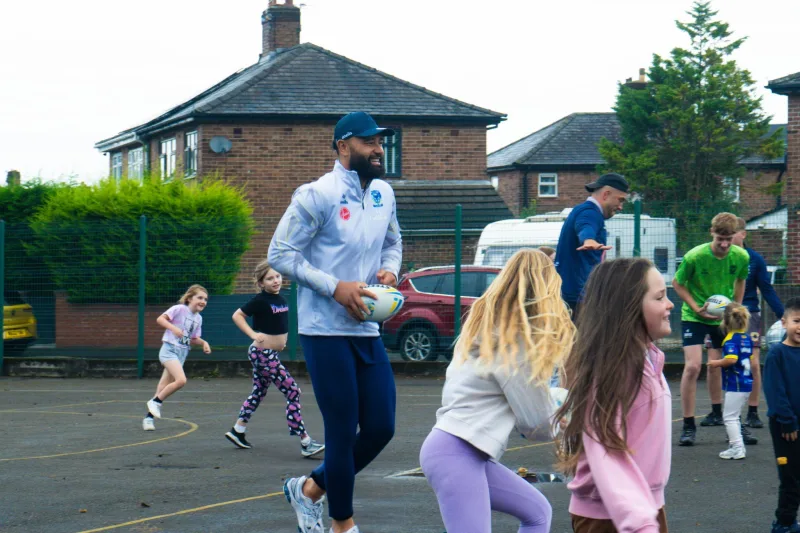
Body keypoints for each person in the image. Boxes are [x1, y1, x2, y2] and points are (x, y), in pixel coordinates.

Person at [268, 111, 402, 533]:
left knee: (381, 426)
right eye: (368, 142)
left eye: (380, 142)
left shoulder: (383, 193)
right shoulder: (316, 194)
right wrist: (335, 287)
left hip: (365, 328)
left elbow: (394, 242)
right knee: (341, 432)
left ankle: (309, 488)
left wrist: (389, 271)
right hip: (323, 330)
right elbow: (281, 254)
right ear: (343, 146)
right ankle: (341, 523)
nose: (378, 149)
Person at [419, 249, 575, 533]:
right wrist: (562, 415)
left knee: (537, 512)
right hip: (459, 453)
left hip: (456, 450)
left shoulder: (485, 334)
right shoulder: (513, 349)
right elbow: (536, 425)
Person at [556, 257, 673, 532]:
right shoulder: (614, 371)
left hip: (643, 507)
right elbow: (605, 451)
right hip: (612, 516)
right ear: (628, 307)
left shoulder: (647, 359)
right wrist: (640, 521)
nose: (669, 305)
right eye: (660, 297)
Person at [224, 260, 324, 458]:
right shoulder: (260, 300)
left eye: (277, 276)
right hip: (263, 353)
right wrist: (253, 335)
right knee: (293, 391)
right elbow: (237, 315)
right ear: (261, 283)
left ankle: (238, 430)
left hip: (270, 353)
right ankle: (305, 441)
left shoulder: (281, 299)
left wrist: (280, 342)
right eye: (270, 278)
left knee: (259, 391)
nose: (275, 280)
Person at [672, 212, 750, 446]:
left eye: (729, 239)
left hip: (723, 318)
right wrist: (696, 307)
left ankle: (729, 421)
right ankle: (688, 425)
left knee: (727, 366)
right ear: (712, 233)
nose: (725, 244)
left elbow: (740, 281)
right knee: (693, 367)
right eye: (720, 239)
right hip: (694, 316)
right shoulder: (695, 256)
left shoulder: (741, 256)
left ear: (735, 235)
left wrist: (736, 309)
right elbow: (677, 283)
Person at [733, 217, 785, 429]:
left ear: (743, 234)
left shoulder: (755, 259)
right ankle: (719, 411)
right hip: (725, 316)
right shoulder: (719, 258)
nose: (728, 238)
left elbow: (767, 289)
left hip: (749, 314)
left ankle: (753, 411)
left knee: (753, 363)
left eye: (733, 232)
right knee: (722, 365)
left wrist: (784, 314)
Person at [554, 173, 628, 318]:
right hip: (577, 299)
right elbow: (585, 225)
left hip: (575, 296)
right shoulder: (589, 212)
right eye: (620, 200)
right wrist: (588, 240)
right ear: (606, 194)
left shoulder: (585, 211)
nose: (620, 207)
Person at [143, 285, 211, 430]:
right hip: (169, 350)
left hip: (182, 353)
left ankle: (149, 418)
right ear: (189, 298)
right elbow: (160, 319)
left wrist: (204, 343)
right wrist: (173, 328)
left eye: (205, 299)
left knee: (163, 386)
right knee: (181, 380)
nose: (203, 301)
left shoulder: (198, 318)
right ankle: (156, 402)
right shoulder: (179, 309)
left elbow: (192, 338)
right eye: (199, 297)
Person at [763, 297, 800, 533]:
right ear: (784, 323)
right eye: (797, 321)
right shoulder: (777, 354)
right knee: (790, 479)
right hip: (786, 428)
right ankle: (784, 523)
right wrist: (787, 422)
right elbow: (776, 393)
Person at [708, 303, 754, 459]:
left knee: (729, 417)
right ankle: (735, 446)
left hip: (736, 384)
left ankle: (737, 448)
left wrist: (716, 363)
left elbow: (732, 359)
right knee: (734, 415)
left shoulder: (729, 340)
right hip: (746, 382)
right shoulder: (746, 338)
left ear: (725, 322)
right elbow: (749, 358)